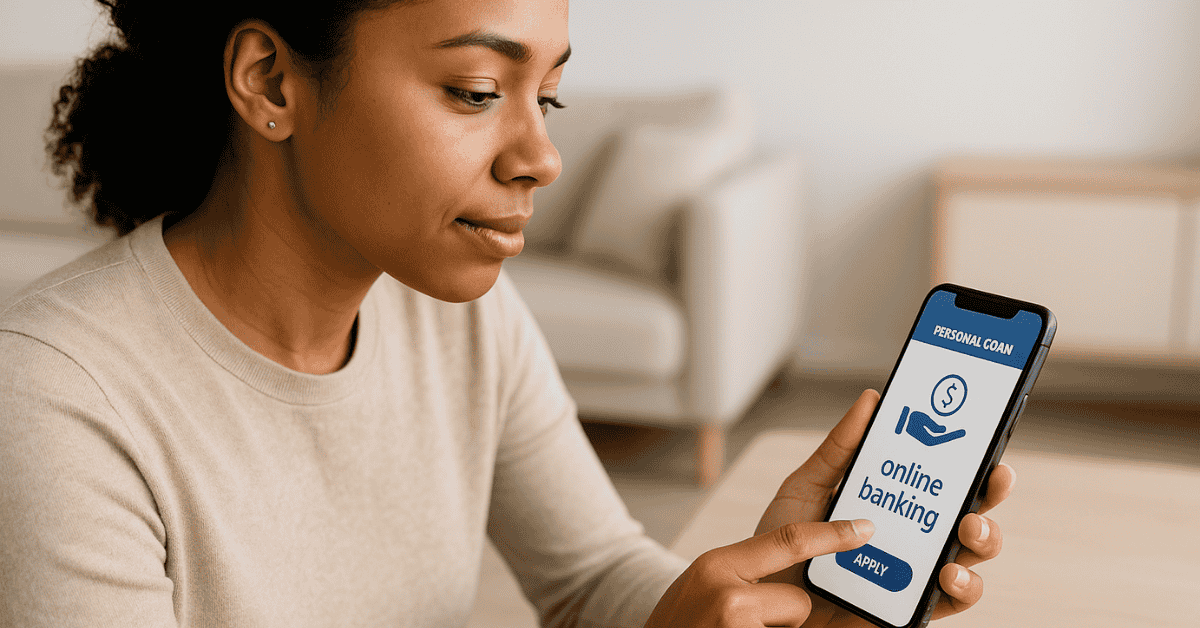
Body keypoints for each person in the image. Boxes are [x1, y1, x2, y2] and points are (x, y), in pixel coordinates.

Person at [0, 0, 1013, 625]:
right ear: (270, 81)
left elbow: (592, 578)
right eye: (477, 90)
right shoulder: (53, 401)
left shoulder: (460, 317)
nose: (542, 156)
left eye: (550, 97)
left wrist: (751, 598)